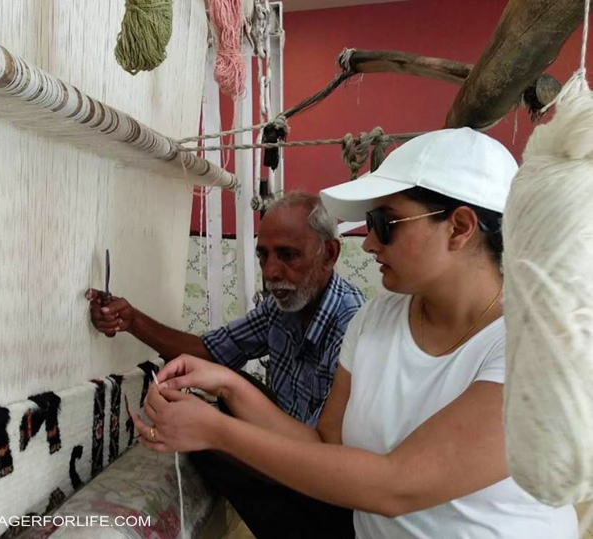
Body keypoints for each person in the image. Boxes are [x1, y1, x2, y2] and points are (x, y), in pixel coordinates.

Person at [133, 128, 578, 538]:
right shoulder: (375, 321)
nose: (367, 243)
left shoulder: (531, 346)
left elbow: (397, 485)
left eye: (385, 225)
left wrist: (216, 432)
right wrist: (228, 382)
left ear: (459, 227)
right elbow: (326, 444)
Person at [86, 192, 365, 538]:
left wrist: (211, 434)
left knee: (208, 443)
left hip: (330, 488)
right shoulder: (283, 305)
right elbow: (211, 352)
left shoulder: (353, 328)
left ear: (330, 253)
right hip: (296, 440)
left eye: (288, 255)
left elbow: (323, 461)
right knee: (226, 395)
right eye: (263, 255)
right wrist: (131, 320)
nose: (271, 272)